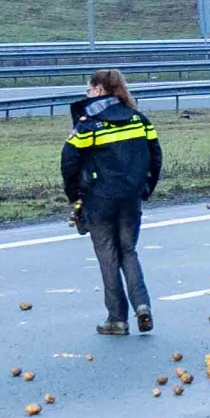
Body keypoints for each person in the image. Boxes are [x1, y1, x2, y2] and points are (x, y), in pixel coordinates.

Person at [60, 68, 163, 336]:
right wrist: (145, 188)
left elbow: (68, 161)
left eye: (89, 89)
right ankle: (142, 305)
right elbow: (155, 157)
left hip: (99, 200)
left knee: (108, 256)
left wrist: (75, 195)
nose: (86, 94)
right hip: (131, 199)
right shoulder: (139, 120)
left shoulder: (89, 124)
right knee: (129, 252)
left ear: (100, 90)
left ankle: (117, 319)